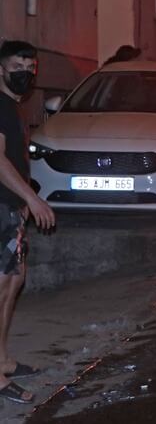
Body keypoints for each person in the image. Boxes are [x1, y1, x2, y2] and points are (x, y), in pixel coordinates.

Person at [0, 41, 55, 405]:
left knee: (14, 282)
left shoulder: (13, 107)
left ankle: (2, 359)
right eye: (18, 65)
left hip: (11, 208)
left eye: (30, 67)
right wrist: (33, 199)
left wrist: (23, 201)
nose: (26, 73)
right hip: (1, 206)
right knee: (1, 286)